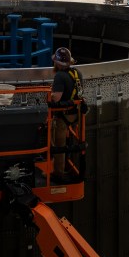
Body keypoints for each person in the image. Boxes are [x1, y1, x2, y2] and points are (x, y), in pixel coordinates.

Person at [49, 46, 84, 180]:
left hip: (63, 115)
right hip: (76, 114)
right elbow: (79, 93)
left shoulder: (60, 76)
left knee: (59, 145)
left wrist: (48, 95)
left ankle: (58, 172)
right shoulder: (77, 73)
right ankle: (69, 167)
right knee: (72, 142)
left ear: (57, 63)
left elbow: (56, 98)